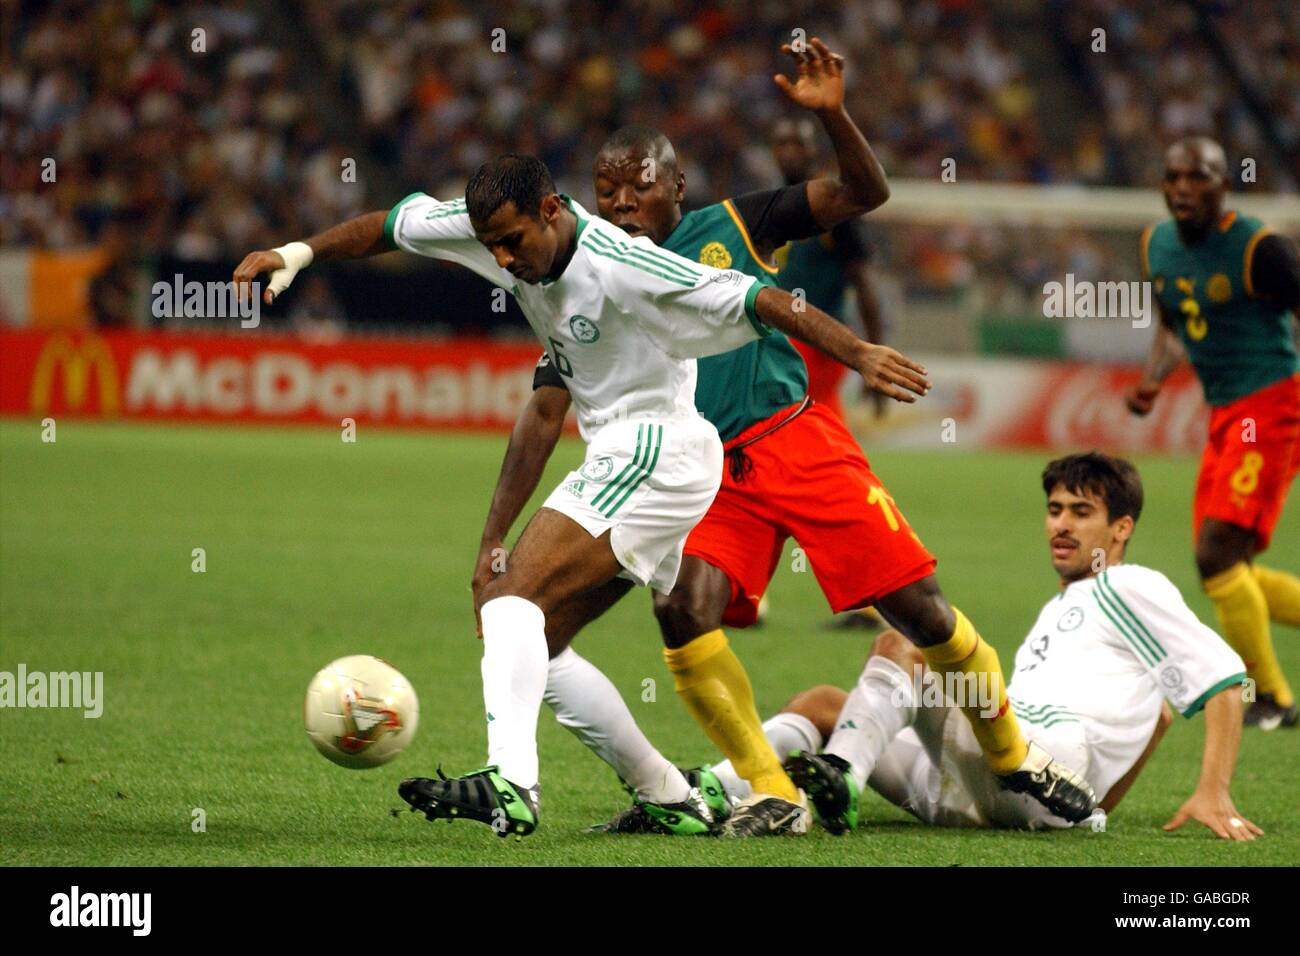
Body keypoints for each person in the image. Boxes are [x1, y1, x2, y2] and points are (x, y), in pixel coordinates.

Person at [481, 40, 1096, 837]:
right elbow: (549, 397)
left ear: (676, 187)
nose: (623, 203)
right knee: (681, 608)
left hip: (794, 438)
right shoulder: (585, 277)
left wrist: (834, 115)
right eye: (607, 192)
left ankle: (1015, 759)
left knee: (921, 614)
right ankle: (774, 793)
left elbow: (863, 192)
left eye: (639, 187)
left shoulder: (734, 222)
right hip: (704, 467)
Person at [233, 153, 928, 838]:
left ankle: (512, 784)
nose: (502, 260)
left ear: (551, 212)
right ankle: (667, 794)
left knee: (514, 601)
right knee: (533, 636)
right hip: (624, 455)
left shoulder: (625, 262)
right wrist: (297, 253)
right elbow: (391, 225)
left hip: (661, 447)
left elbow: (759, 299)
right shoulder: (497, 231)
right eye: (490, 246)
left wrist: (858, 352)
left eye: (512, 242)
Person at [726, 452, 1259, 842]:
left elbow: (1224, 678)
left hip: (1028, 769)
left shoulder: (1127, 585)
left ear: (1121, 528)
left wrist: (1213, 789)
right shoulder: (1062, 608)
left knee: (905, 645)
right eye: (1054, 510)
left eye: (1080, 512)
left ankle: (842, 775)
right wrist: (1091, 810)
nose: (1061, 525)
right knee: (823, 705)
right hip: (976, 790)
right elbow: (1159, 719)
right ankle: (721, 788)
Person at [1126, 136, 1300, 730]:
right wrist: (1153, 380)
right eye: (1172, 176)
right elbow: (1173, 324)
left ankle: (1272, 697)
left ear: (1224, 184)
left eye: (1196, 177)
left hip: (1272, 404)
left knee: (1217, 553)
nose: (1181, 188)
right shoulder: (1156, 245)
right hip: (1226, 412)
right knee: (1225, 567)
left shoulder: (1259, 249)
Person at [770, 115, 884, 422]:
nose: (790, 151)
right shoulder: (768, 205)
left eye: (799, 143)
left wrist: (873, 354)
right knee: (816, 424)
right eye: (782, 144)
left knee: (801, 423)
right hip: (780, 337)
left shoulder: (835, 208)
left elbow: (863, 283)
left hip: (819, 339)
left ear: (813, 151)